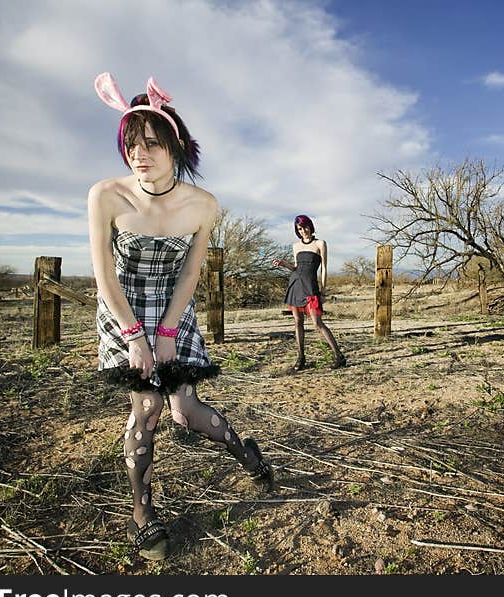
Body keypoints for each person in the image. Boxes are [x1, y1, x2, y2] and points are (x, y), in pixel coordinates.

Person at [88, 72, 275, 561]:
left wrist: (168, 331)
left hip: (174, 308)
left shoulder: (202, 205)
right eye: (131, 144)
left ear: (176, 146)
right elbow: (103, 276)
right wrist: (135, 337)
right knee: (146, 408)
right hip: (122, 307)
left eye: (152, 143)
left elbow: (191, 274)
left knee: (184, 410)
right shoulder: (106, 194)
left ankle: (246, 452)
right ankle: (142, 514)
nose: (139, 154)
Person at [272, 214, 347, 371]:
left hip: (311, 287)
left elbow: (324, 269)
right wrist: (284, 264)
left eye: (305, 227)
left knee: (317, 323)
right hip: (296, 285)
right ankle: (301, 358)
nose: (303, 231)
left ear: (310, 227)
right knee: (297, 322)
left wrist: (323, 290)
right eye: (300, 228)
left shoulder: (320, 243)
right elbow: (296, 267)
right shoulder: (296, 246)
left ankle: (339, 356)